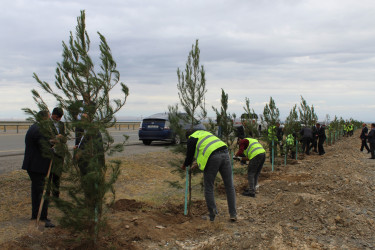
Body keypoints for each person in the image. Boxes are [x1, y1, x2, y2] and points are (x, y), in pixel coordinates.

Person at [182, 129, 237, 222]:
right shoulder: (206, 133)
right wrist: (196, 164)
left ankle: (212, 215)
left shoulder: (192, 138)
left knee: (209, 187)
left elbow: (190, 155)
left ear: (188, 136)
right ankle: (233, 214)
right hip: (225, 152)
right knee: (229, 186)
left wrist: (184, 165)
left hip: (213, 157)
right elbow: (205, 151)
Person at [22, 111, 55, 228]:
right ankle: (42, 218)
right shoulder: (40, 129)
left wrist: (51, 142)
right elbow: (44, 148)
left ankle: (36, 215)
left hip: (33, 165)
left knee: (36, 191)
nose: (50, 119)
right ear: (44, 118)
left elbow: (41, 142)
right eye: (49, 116)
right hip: (38, 166)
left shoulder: (34, 127)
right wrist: (54, 148)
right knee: (42, 192)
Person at [49, 107, 67, 198]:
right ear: (52, 115)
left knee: (57, 176)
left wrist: (61, 138)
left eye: (60, 117)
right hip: (50, 154)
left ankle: (56, 195)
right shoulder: (47, 124)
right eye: (56, 117)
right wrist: (53, 140)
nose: (58, 119)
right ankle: (47, 195)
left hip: (59, 154)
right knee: (49, 176)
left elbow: (65, 139)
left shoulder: (61, 124)